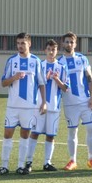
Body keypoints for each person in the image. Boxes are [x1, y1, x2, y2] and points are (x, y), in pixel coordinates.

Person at [0, 33, 46, 176]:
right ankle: (4, 166)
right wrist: (14, 77)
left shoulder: (36, 61)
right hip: (13, 106)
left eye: (23, 43)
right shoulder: (12, 61)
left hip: (29, 107)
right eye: (18, 43)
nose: (20, 46)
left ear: (29, 43)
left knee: (25, 135)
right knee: (7, 134)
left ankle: (20, 165)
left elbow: (42, 84)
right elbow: (4, 83)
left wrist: (44, 103)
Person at [58, 31, 92, 171]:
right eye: (67, 41)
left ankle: (91, 158)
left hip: (85, 101)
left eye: (72, 42)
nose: (69, 44)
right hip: (70, 104)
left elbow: (90, 79)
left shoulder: (82, 59)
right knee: (72, 131)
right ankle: (72, 160)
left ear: (75, 44)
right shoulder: (59, 62)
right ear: (62, 43)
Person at [25, 39, 69, 172]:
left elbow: (65, 87)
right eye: (49, 49)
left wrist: (56, 79)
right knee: (35, 133)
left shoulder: (61, 67)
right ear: (45, 50)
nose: (51, 52)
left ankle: (47, 163)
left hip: (54, 107)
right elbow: (33, 83)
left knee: (51, 135)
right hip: (39, 106)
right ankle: (28, 162)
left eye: (54, 49)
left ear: (57, 51)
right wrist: (46, 78)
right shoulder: (40, 65)